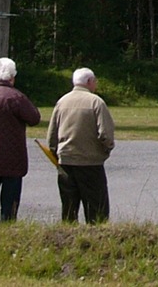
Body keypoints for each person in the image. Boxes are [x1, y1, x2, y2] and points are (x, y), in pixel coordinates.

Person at [0, 57, 41, 223]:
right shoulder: (16, 97)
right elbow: (34, 118)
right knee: (9, 203)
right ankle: (7, 230)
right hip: (11, 157)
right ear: (11, 76)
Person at [48, 67, 116, 223]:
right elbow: (105, 134)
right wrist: (106, 149)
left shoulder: (61, 102)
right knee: (97, 208)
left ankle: (67, 238)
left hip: (66, 162)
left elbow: (52, 134)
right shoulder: (96, 102)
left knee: (69, 207)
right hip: (90, 163)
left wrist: (55, 153)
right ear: (89, 82)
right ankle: (95, 240)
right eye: (94, 81)